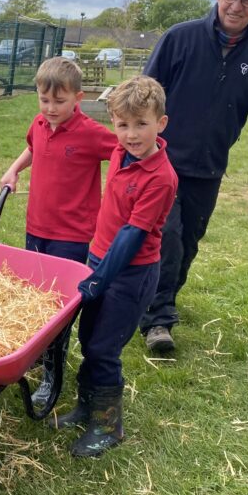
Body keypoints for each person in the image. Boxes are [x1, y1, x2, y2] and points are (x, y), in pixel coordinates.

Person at [139, 0, 248, 354]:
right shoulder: (179, 38)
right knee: (165, 238)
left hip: (208, 167)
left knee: (188, 242)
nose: (237, 6)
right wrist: (134, 147)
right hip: (162, 163)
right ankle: (158, 318)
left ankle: (159, 298)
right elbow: (143, 94)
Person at [54, 76, 178, 457]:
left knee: (105, 349)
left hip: (130, 275)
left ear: (161, 123)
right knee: (88, 340)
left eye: (141, 124)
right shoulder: (121, 154)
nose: (131, 134)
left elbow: (131, 236)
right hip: (98, 263)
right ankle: (86, 405)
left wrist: (99, 279)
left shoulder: (160, 178)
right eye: (122, 125)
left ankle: (108, 425)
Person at [0, 57, 115, 407]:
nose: (50, 109)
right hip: (37, 228)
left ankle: (52, 375)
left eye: (59, 102)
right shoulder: (39, 122)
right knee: (34, 296)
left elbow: (125, 152)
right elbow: (34, 147)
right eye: (44, 100)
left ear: (78, 98)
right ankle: (36, 353)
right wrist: (14, 169)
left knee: (56, 306)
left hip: (72, 235)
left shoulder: (91, 133)